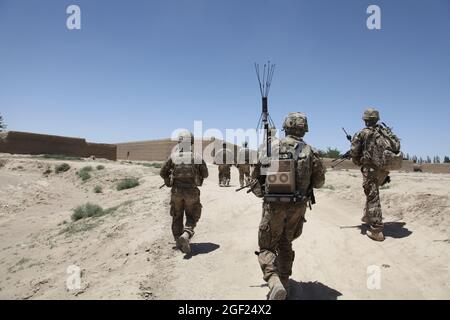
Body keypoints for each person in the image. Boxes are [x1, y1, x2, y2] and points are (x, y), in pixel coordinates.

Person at [250, 112, 325, 300]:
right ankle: (283, 282)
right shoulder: (311, 151)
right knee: (286, 243)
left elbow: (255, 178)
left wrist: (265, 196)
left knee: (267, 246)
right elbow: (319, 183)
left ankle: (273, 281)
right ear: (304, 129)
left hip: (274, 206)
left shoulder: (270, 147)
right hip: (298, 207)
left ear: (286, 127)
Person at [350, 108, 400, 242]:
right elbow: (396, 146)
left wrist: (358, 161)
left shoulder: (362, 134)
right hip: (383, 170)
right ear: (377, 119)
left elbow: (354, 152)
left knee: (373, 197)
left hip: (371, 170)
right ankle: (368, 217)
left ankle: (376, 231)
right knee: (373, 194)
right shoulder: (385, 133)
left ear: (365, 120)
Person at [160, 130, 209, 254]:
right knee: (192, 215)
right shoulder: (196, 157)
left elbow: (162, 172)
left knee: (177, 216)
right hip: (191, 192)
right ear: (191, 142)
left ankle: (178, 240)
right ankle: (186, 234)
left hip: (176, 192)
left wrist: (168, 181)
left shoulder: (173, 157)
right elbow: (206, 174)